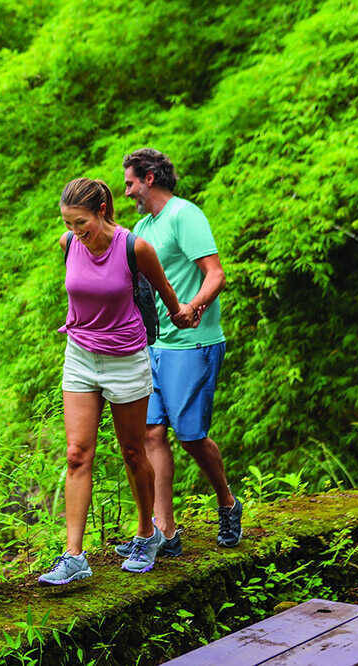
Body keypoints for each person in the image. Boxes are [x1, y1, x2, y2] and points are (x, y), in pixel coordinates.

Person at [39, 177, 189, 586]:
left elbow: (164, 291)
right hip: (80, 358)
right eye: (69, 224)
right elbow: (80, 289)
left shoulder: (133, 247)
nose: (75, 232)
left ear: (102, 211)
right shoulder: (68, 245)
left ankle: (147, 533)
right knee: (75, 454)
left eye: (81, 223)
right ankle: (73, 555)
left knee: (133, 451)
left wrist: (180, 314)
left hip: (126, 360)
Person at [116, 148, 242, 559]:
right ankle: (163, 529)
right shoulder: (143, 226)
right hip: (153, 344)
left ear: (149, 178)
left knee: (190, 436)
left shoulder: (184, 216)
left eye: (131, 180)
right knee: (151, 433)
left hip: (193, 343)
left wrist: (194, 307)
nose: (127, 188)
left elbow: (215, 273)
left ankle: (227, 502)